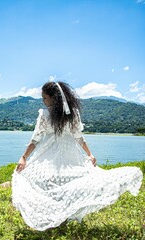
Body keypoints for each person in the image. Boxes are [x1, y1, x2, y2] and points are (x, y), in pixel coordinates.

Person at [12, 81, 143, 231]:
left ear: (54, 98)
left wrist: (24, 157)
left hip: (52, 154)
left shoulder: (46, 114)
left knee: (48, 181)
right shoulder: (71, 113)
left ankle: (58, 217)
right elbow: (79, 137)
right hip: (68, 154)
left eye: (45, 98)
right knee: (65, 181)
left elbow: (36, 139)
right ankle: (61, 216)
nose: (43, 101)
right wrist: (89, 153)